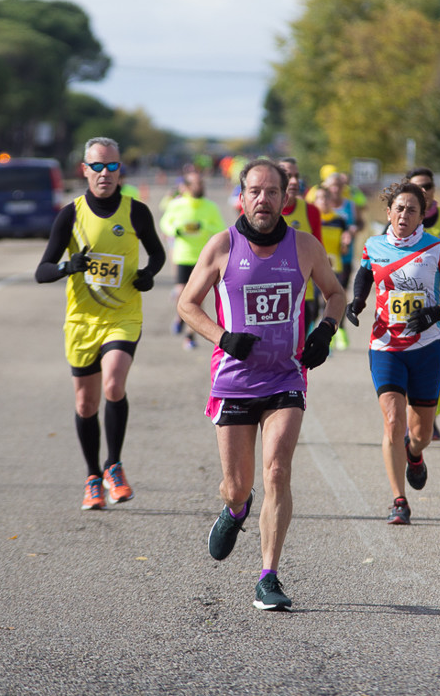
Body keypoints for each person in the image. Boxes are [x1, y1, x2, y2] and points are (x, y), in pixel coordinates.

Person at [177, 158, 346, 611]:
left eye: (272, 191)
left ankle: (268, 575)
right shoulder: (221, 246)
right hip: (233, 380)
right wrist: (223, 337)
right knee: (238, 484)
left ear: (286, 197)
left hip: (286, 375)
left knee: (277, 470)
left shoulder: (305, 247)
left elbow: (336, 294)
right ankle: (235, 509)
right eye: (255, 191)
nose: (263, 199)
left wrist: (325, 332)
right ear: (241, 195)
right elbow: (187, 304)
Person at [35, 137, 166, 511]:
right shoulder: (70, 214)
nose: (104, 173)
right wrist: (66, 267)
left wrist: (148, 274)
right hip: (81, 320)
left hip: (123, 315)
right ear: (84, 170)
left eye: (111, 166)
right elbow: (42, 270)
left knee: (113, 383)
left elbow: (157, 253)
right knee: (85, 401)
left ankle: (115, 466)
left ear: (120, 169)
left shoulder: (136, 211)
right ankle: (93, 476)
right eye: (97, 166)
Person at [345, 181, 440, 525]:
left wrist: (439, 311)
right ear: (388, 213)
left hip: (427, 346)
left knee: (420, 434)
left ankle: (414, 455)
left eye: (411, 210)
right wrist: (357, 301)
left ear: (421, 217)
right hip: (386, 345)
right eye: (398, 208)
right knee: (392, 423)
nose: (404, 215)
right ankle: (398, 500)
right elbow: (364, 275)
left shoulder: (437, 247)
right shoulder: (374, 244)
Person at [406, 167, 440, 440]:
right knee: (409, 362)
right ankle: (417, 419)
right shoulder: (398, 219)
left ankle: (426, 410)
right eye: (417, 186)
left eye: (427, 186)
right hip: (407, 304)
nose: (423, 191)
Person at [159, 171, 226, 349]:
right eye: (196, 184)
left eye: (201, 184)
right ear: (187, 187)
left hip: (203, 259)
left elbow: (220, 227)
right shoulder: (177, 205)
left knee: (197, 299)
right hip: (182, 255)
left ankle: (189, 336)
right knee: (181, 292)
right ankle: (180, 316)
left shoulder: (210, 206)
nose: (200, 187)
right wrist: (176, 229)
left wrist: (204, 226)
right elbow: (165, 223)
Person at [277, 157, 323, 331]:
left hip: (304, 295)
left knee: (300, 355)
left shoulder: (310, 211)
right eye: (288, 176)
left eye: (297, 175)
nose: (295, 181)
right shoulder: (260, 211)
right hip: (268, 295)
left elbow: (319, 253)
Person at [314, 184, 351, 350]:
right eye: (320, 198)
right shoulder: (312, 219)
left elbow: (344, 249)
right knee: (315, 302)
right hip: (315, 266)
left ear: (331, 200)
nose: (323, 201)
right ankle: (313, 332)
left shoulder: (339, 220)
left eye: (326, 198)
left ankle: (339, 332)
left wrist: (345, 244)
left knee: (337, 299)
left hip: (335, 265)